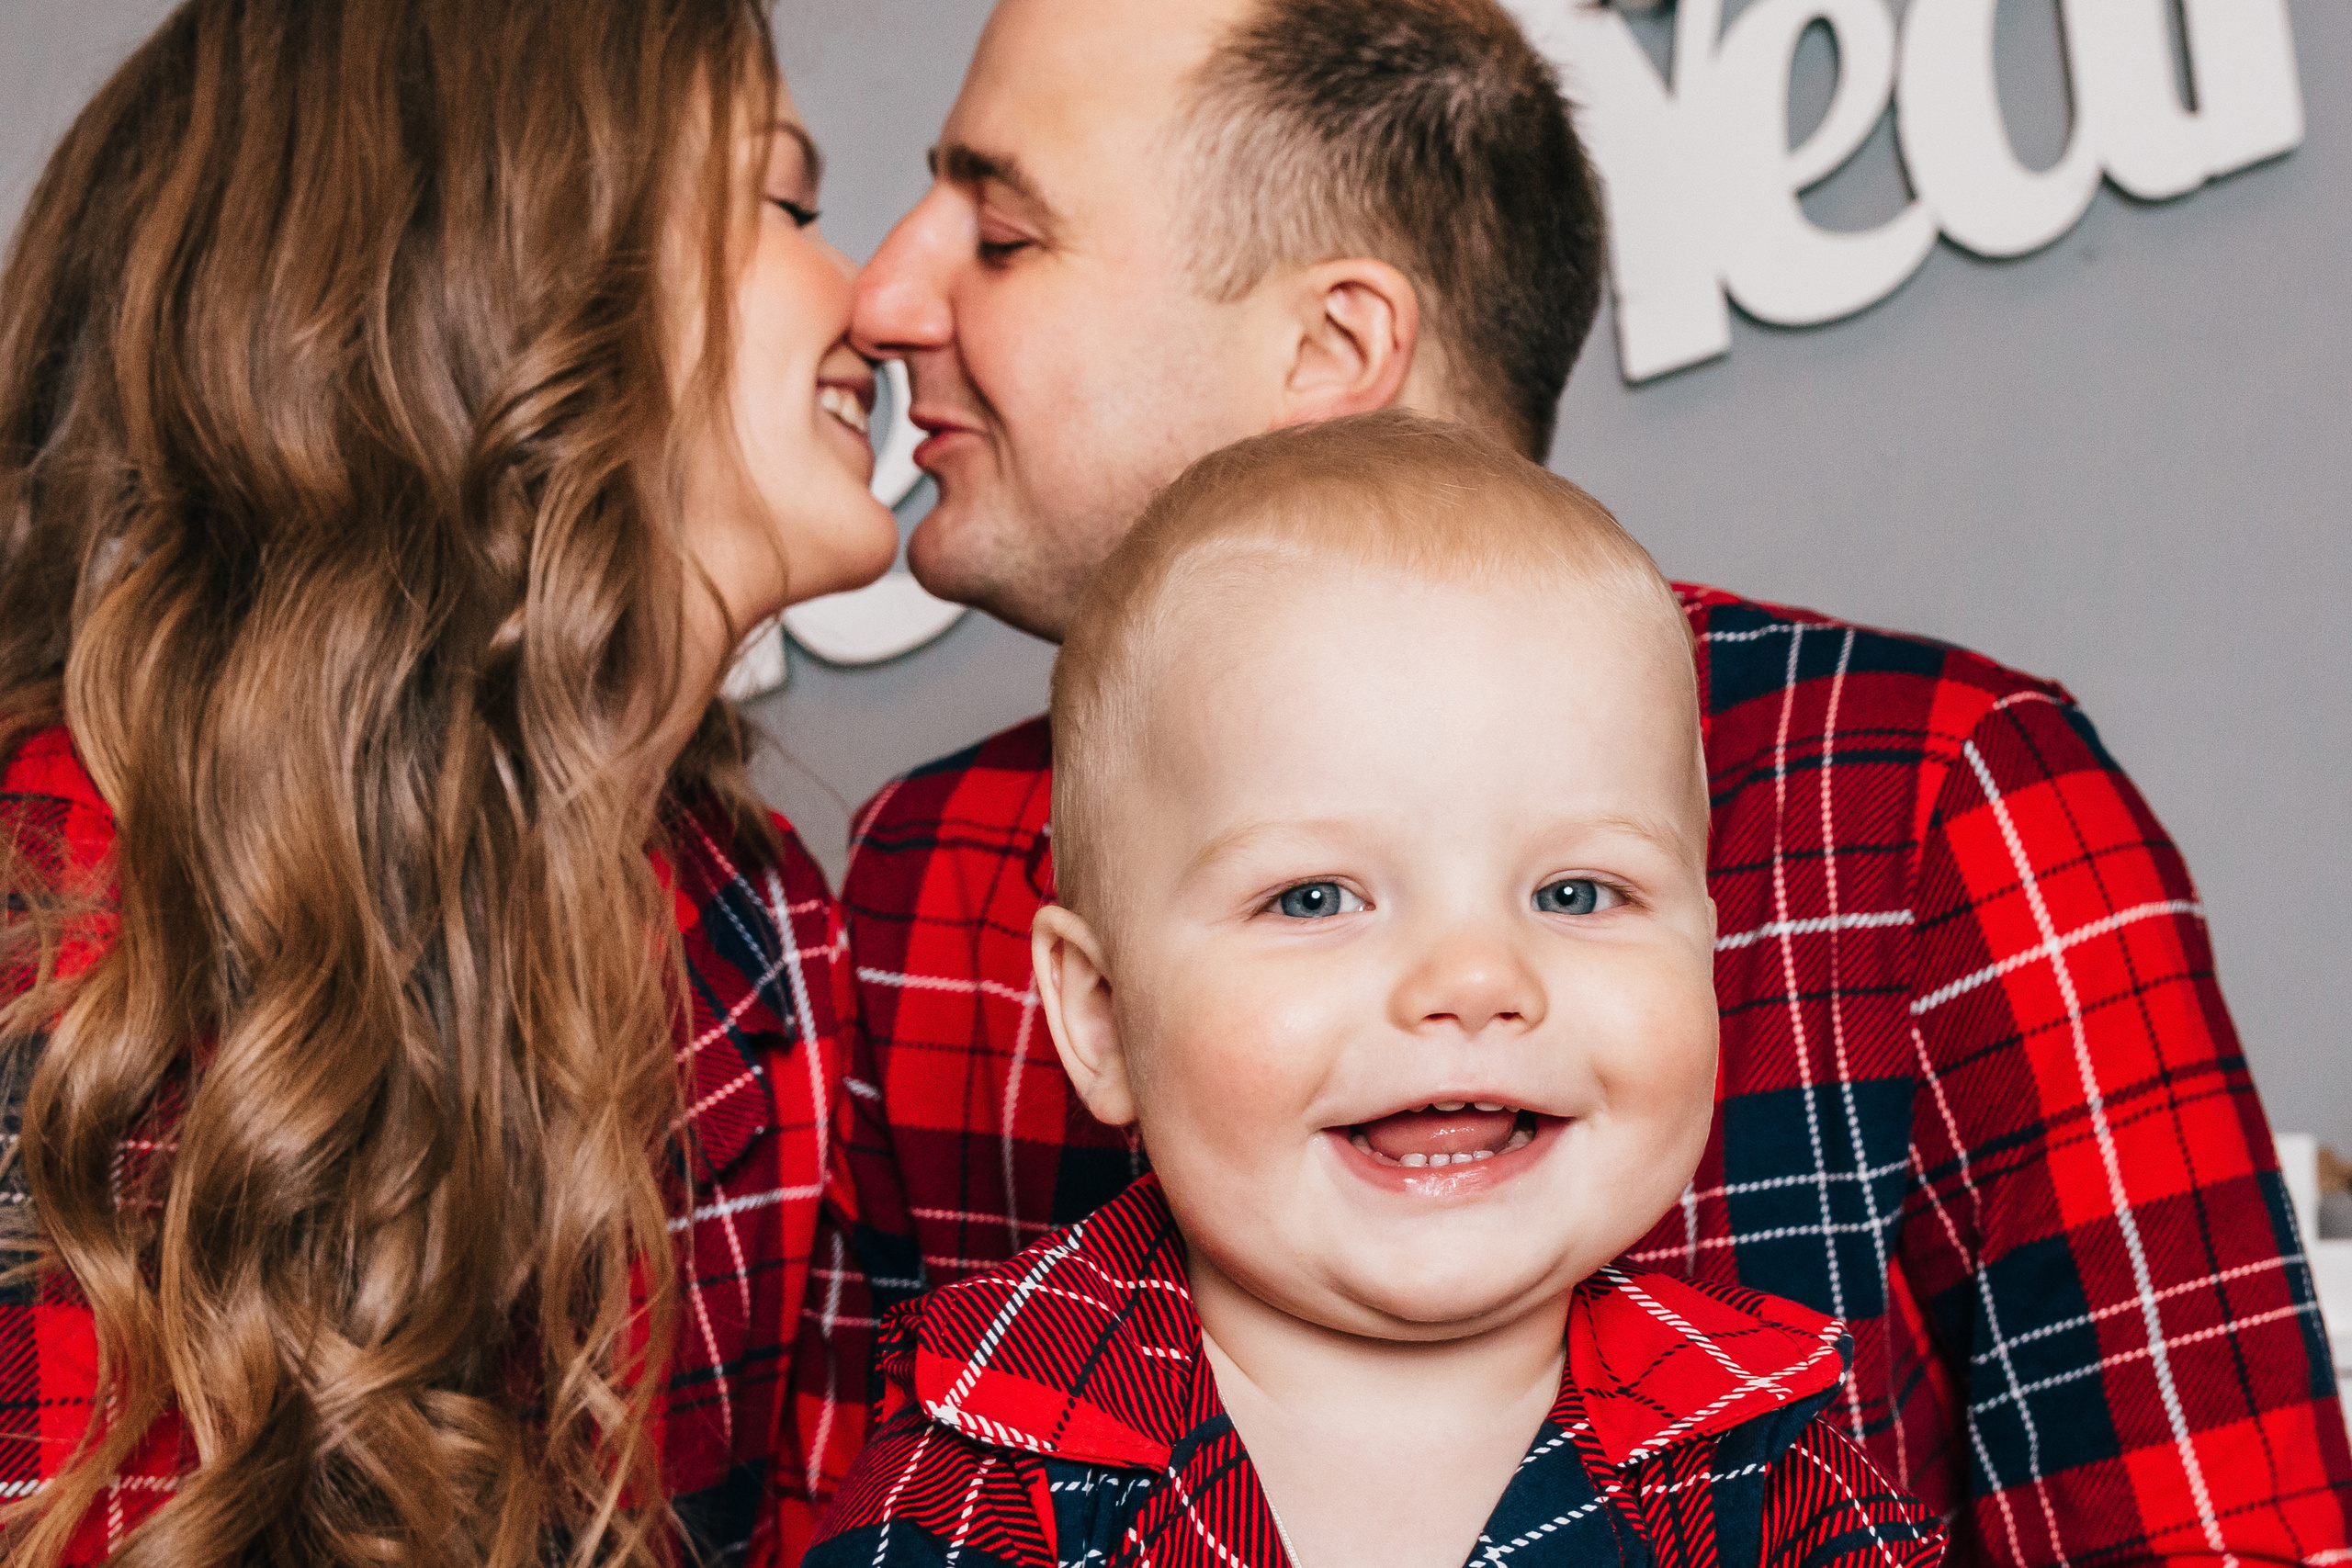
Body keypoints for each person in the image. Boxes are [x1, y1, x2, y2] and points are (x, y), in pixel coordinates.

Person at [819, 0, 2352, 1559]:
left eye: (1003, 235)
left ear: (1333, 346)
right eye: (1306, 896)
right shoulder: (919, 875)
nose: (878, 300)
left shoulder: (1940, 790)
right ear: (1092, 999)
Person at [0, 1, 894, 1563]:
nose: (876, 299)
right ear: (516, 286)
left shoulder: (755, 940)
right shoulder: (46, 924)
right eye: (785, 203)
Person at [811, 413, 1946, 1568]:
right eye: (1313, 898)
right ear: (1100, 1018)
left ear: (1705, 947)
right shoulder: (980, 1481)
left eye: (1575, 893)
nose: (1473, 981)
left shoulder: (1774, 1479)